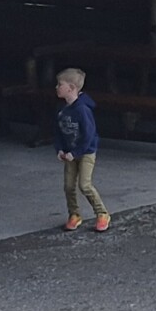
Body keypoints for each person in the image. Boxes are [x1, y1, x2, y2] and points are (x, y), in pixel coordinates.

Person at [53, 68, 109, 232]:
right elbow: (58, 131)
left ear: (71, 88)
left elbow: (89, 135)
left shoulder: (82, 110)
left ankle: (102, 213)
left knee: (84, 185)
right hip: (69, 153)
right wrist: (60, 149)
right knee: (69, 186)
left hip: (85, 153)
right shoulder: (62, 109)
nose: (57, 87)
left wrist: (75, 152)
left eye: (60, 84)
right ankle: (74, 214)